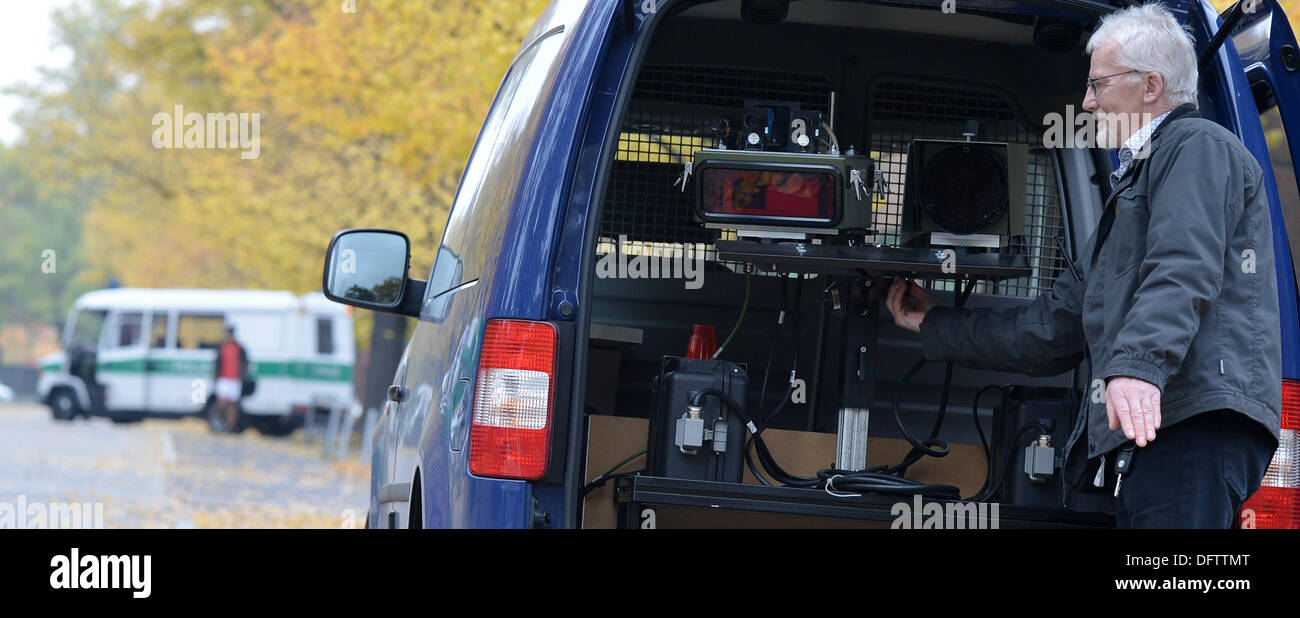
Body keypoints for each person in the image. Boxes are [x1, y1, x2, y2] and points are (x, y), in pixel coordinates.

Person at [885, 3, 1281, 528]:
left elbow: (1183, 265)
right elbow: (1055, 326)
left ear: (1150, 85)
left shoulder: (1198, 147)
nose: (1087, 102)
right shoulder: (1136, 184)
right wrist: (937, 324)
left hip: (1191, 424)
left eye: (1099, 85)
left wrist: (1137, 369)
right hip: (1153, 433)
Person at [213, 325, 250, 433]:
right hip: (223, 378)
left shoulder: (240, 348)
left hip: (235, 379)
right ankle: (222, 419)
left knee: (233, 404)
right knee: (222, 402)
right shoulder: (221, 347)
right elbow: (217, 363)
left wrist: (244, 376)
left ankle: (230, 425)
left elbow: (245, 363)